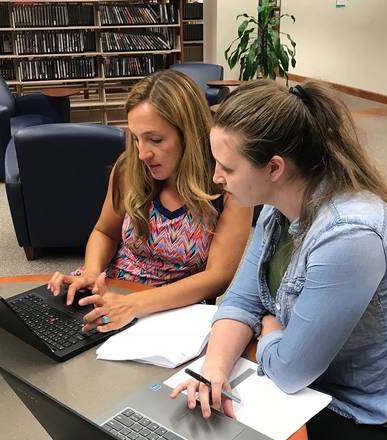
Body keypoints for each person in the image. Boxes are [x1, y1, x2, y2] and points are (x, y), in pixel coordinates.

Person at [170, 79, 387, 440]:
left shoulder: (348, 235)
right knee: (205, 423)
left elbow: (289, 371)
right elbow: (241, 298)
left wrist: (269, 331)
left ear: (274, 167)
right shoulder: (277, 205)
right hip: (321, 385)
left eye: (228, 167)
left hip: (385, 422)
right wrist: (212, 371)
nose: (216, 177)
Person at [47, 70, 252, 332]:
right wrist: (91, 273)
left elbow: (218, 278)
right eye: (135, 138)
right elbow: (104, 232)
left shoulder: (227, 184)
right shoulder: (129, 168)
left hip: (170, 309)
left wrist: (133, 304)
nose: (142, 153)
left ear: (189, 135)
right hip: (110, 289)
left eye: (155, 139)